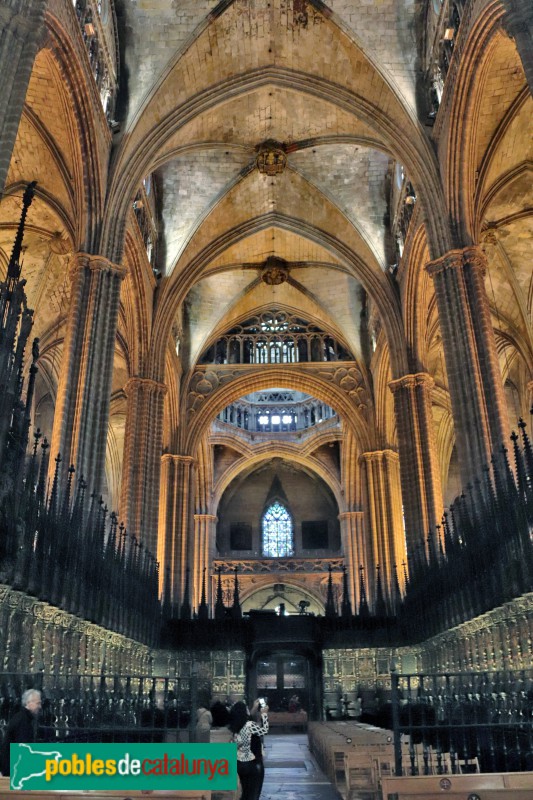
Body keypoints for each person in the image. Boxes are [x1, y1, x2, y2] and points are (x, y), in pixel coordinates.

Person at [228, 699, 268, 800]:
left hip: (240, 764)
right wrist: (264, 714)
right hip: (254, 764)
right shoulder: (250, 725)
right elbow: (264, 730)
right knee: (253, 794)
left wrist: (254, 708)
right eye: (246, 708)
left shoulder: (236, 726)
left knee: (245, 793)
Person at [0, 689, 42, 775]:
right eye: (38, 703)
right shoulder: (23, 721)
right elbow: (23, 747)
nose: (40, 706)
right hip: (12, 770)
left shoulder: (21, 717)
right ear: (28, 702)